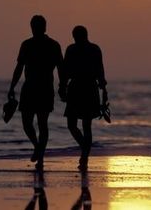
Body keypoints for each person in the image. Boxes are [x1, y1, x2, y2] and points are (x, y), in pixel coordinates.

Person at [8, 15, 63, 169]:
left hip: (44, 88)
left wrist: (63, 86)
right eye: (34, 26)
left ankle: (40, 155)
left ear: (44, 28)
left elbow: (61, 68)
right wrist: (12, 86)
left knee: (42, 123)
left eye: (38, 26)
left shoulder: (53, 45)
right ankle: (38, 147)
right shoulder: (26, 44)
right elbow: (19, 68)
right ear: (31, 27)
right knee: (27, 123)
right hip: (30, 88)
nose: (36, 29)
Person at [59, 25, 108, 171]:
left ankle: (85, 156)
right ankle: (85, 150)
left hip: (82, 88)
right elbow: (100, 71)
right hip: (85, 89)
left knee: (81, 125)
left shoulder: (76, 49)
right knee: (76, 125)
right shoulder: (89, 49)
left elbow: (100, 70)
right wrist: (62, 87)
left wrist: (62, 87)